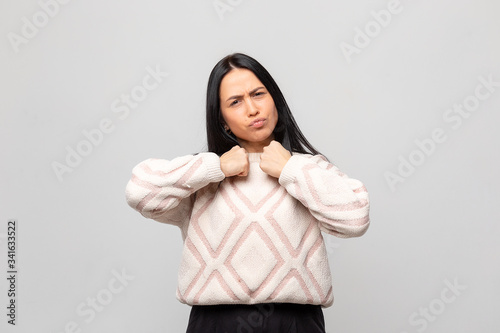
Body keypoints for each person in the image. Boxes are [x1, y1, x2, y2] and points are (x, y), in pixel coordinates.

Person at [125, 53, 370, 333]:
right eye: (236, 102)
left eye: (258, 94)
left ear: (275, 100)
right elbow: (139, 191)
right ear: (223, 120)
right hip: (217, 323)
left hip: (295, 322)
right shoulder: (204, 178)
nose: (252, 109)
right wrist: (216, 165)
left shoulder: (308, 169)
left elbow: (355, 218)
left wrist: (290, 169)